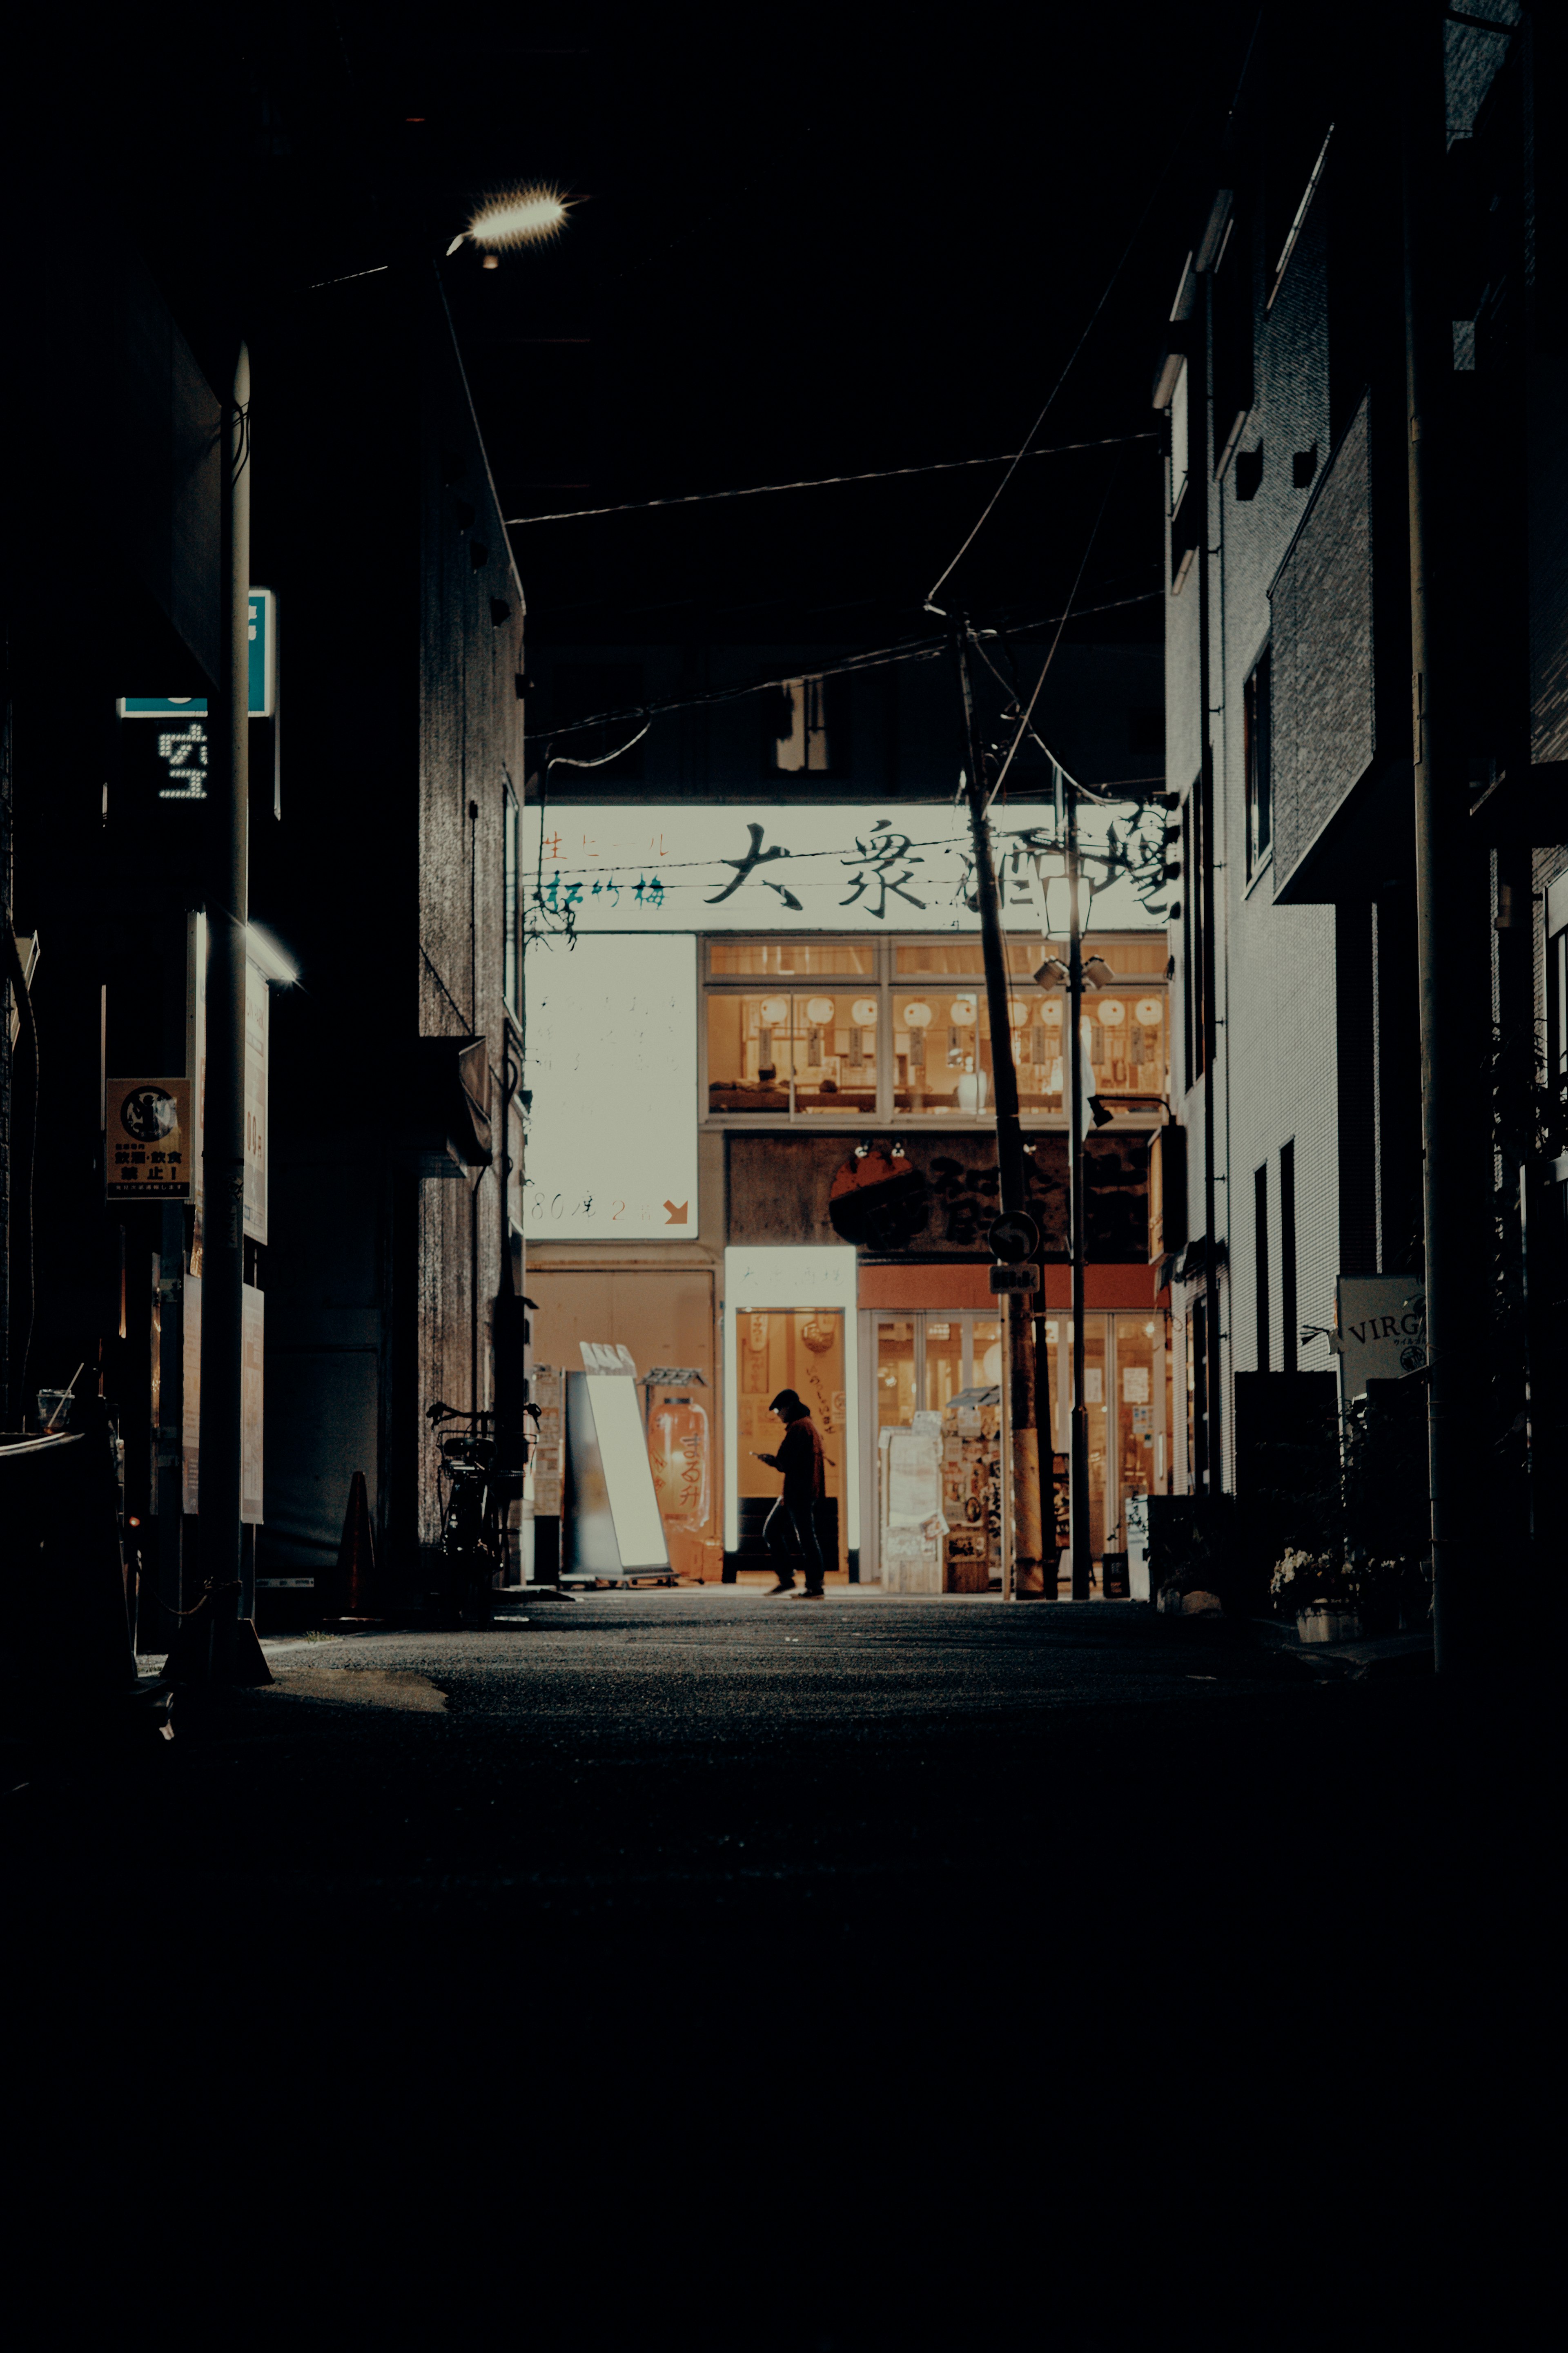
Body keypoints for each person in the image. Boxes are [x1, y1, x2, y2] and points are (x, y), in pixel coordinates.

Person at [753, 1388, 827, 1597]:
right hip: (802, 1492)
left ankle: (811, 1585)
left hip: (797, 1493)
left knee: (800, 1537)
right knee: (788, 1533)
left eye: (779, 1409)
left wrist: (770, 1460)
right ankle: (794, 1580)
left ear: (790, 1407)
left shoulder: (798, 1428)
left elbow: (785, 1462)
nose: (777, 1414)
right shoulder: (809, 1425)